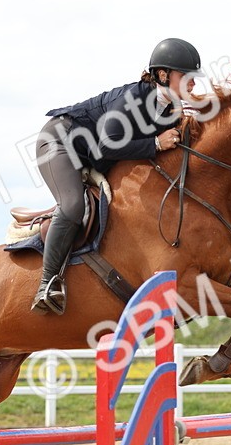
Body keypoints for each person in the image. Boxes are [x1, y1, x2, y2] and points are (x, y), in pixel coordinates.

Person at [31, 37, 202, 314]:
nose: (193, 84)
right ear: (162, 74)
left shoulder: (171, 109)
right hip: (59, 143)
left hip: (93, 157)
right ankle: (47, 284)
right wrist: (156, 144)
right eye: (187, 77)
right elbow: (105, 146)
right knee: (74, 205)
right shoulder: (132, 100)